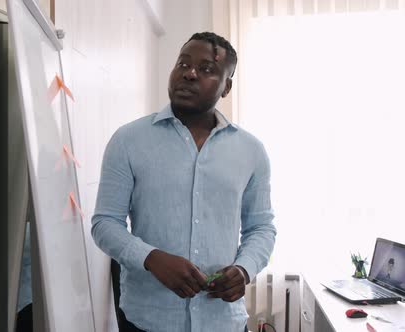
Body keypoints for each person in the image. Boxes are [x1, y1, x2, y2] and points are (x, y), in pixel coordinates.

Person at [91, 31, 277, 332]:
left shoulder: (250, 151)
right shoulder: (128, 140)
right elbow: (105, 223)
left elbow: (261, 227)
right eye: (183, 64)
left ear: (226, 87)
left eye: (206, 69)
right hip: (148, 321)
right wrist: (151, 258)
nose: (189, 74)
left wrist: (245, 270)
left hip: (223, 321)